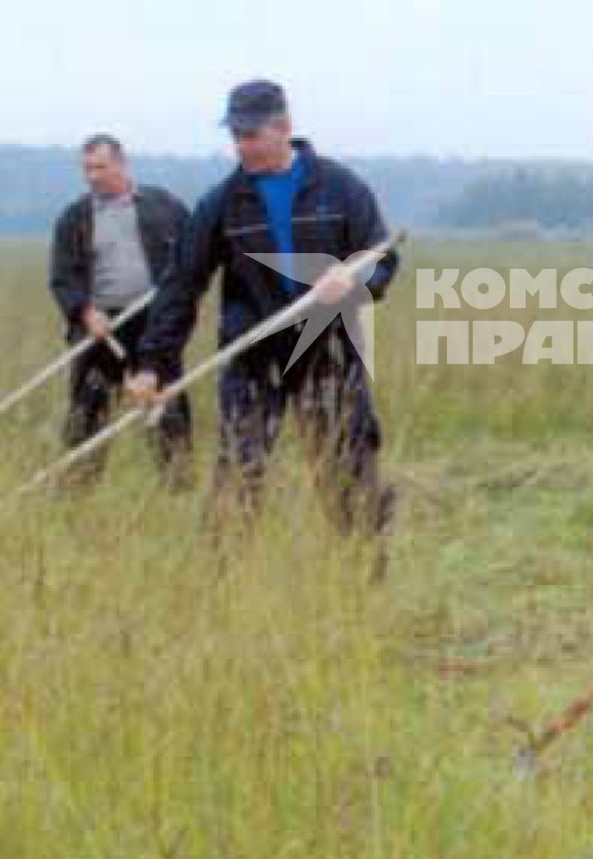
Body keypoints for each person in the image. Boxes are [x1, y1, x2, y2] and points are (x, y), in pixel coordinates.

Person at [128, 79, 401, 565]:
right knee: (239, 467)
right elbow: (180, 286)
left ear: (284, 127)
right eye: (236, 136)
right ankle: (224, 580)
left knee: (346, 465)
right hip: (253, 352)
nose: (243, 146)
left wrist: (355, 281)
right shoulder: (223, 203)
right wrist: (152, 364)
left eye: (252, 134)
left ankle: (365, 577)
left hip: (328, 348)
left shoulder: (339, 188)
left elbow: (381, 258)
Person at [48, 133, 194, 487]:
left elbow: (192, 261)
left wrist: (175, 312)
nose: (92, 176)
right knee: (88, 410)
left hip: (153, 324)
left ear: (121, 163)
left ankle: (177, 486)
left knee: (165, 408)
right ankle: (77, 491)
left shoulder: (164, 207)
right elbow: (62, 275)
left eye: (100, 167)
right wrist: (84, 312)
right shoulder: (76, 217)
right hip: (100, 326)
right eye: (87, 169)